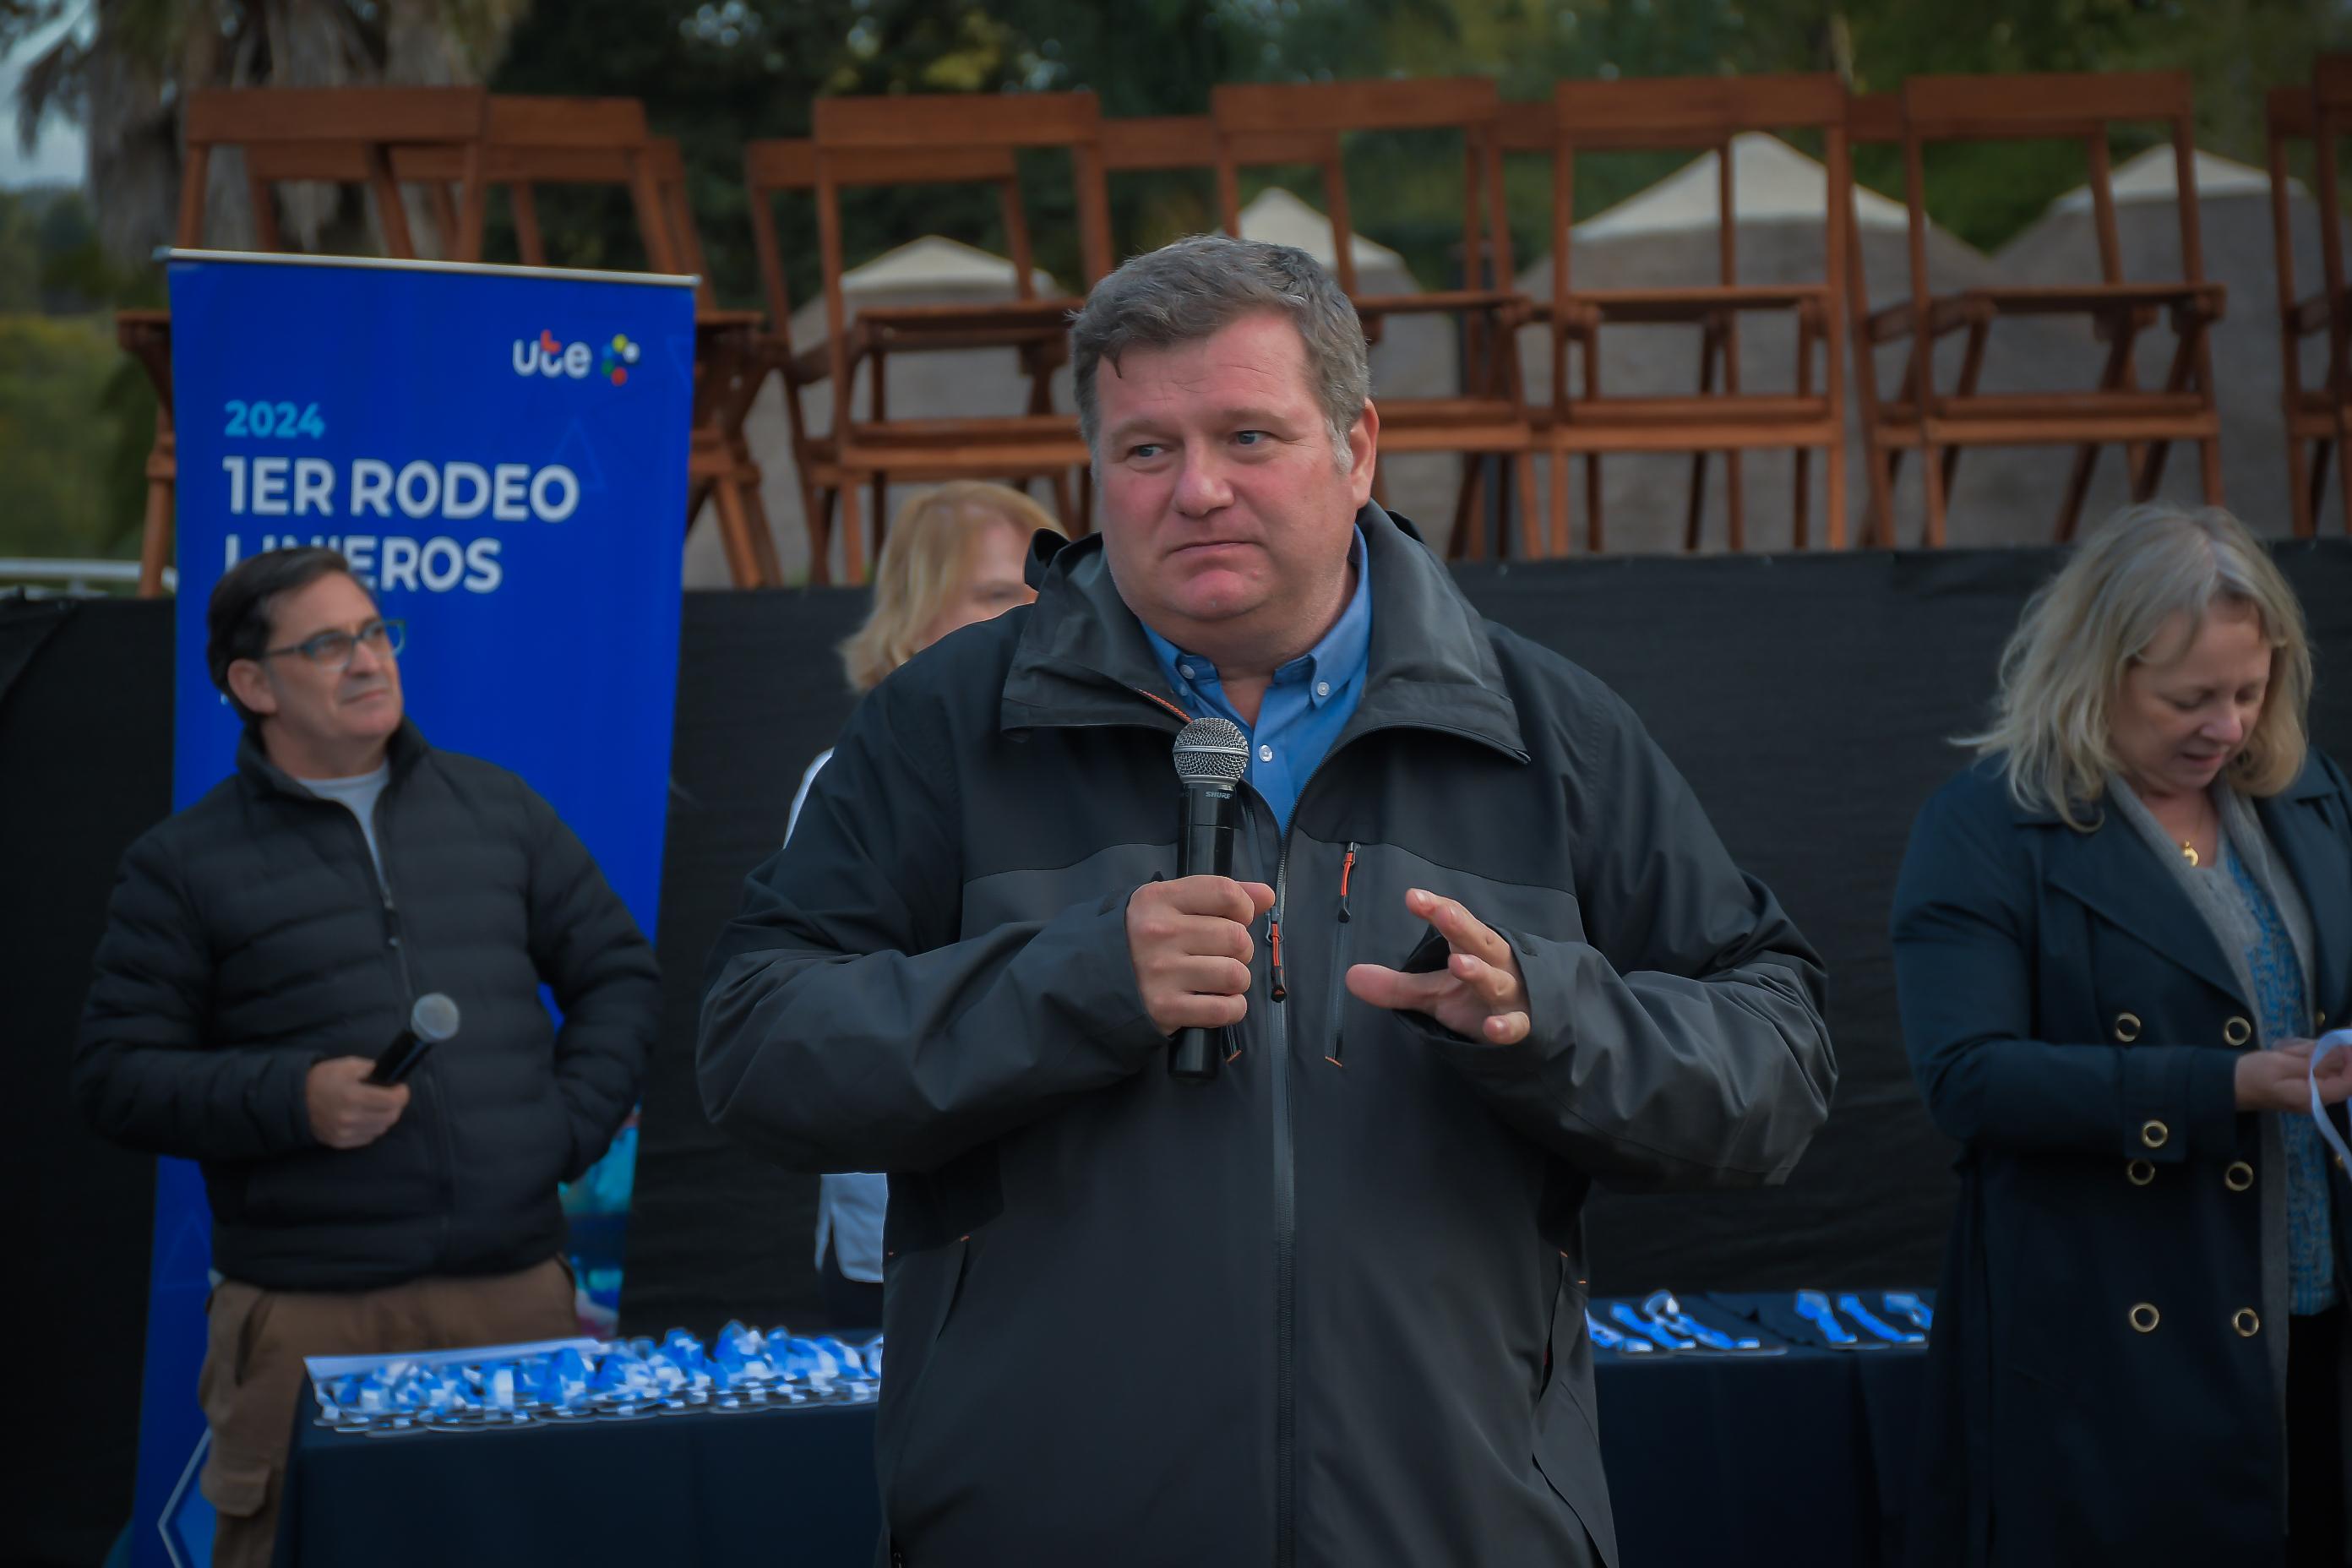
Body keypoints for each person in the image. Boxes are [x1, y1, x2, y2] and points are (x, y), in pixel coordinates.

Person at [700, 233, 1834, 1566]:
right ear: (1096, 470)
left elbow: (1781, 1060)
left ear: (1357, 449)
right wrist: (1073, 985)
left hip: (1450, 1528)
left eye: (1249, 437)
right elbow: (757, 1044)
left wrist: (1558, 1018)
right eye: (1145, 450)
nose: (1197, 491)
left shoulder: (1546, 729)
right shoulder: (948, 727)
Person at [75, 547, 661, 1568]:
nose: (367, 660)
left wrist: (558, 1134)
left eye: (376, 631)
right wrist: (292, 1097)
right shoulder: (182, 863)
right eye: (327, 642)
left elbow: (620, 973)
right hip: (309, 1319)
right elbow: (117, 1076)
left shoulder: (499, 809)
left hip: (516, 1299)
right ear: (253, 685)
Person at [1891, 504, 2352, 1565]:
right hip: (2126, 1353)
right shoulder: (1987, 827)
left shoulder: (2310, 799)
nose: (2229, 725)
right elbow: (1968, 1079)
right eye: (2189, 697)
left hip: (2318, 1325)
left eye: (2251, 690)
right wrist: (2221, 1083)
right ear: (2095, 672)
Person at [792, 481, 1066, 1330]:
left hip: (1068, 1237)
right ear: (913, 620)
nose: (1028, 615)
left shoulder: (1084, 770)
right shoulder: (852, 783)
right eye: (994, 594)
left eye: (1041, 592)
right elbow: (836, 1021)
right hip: (922, 1247)